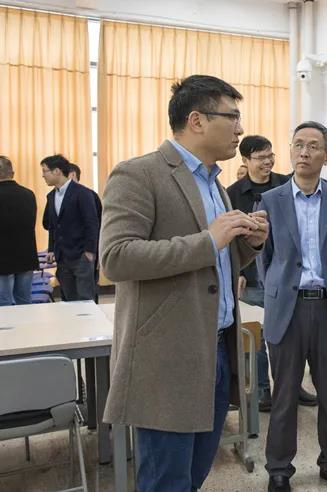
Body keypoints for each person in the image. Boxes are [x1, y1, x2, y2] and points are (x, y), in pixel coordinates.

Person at [100, 75, 268, 491]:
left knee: (193, 476)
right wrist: (209, 239)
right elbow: (116, 258)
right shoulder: (139, 174)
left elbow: (214, 262)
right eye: (232, 117)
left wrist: (248, 244)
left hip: (217, 348)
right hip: (168, 359)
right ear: (196, 120)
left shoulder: (214, 183)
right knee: (166, 481)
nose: (240, 128)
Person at [258, 121, 327, 492]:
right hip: (288, 308)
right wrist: (278, 290)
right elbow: (264, 257)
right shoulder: (271, 200)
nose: (304, 152)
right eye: (298, 144)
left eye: (313, 146)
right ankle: (279, 468)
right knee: (284, 395)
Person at [227, 135, 316, 412]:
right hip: (252, 278)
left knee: (290, 336)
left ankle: (292, 386)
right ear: (245, 160)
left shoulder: (287, 185)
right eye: (260, 158)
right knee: (257, 338)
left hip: (286, 275)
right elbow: (232, 238)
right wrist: (239, 270)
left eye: (270, 156)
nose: (267, 162)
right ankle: (263, 390)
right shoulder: (232, 193)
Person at [41, 154, 99, 301]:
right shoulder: (51, 196)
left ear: (57, 171)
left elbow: (92, 224)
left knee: (85, 299)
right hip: (62, 256)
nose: (43, 175)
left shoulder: (82, 193)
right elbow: (53, 226)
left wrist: (89, 251)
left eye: (45, 171)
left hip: (81, 255)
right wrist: (51, 248)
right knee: (68, 299)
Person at [0, 155, 39, 306]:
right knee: (24, 302)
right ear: (12, 173)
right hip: (26, 256)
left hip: (2, 259)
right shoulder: (28, 194)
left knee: (4, 303)